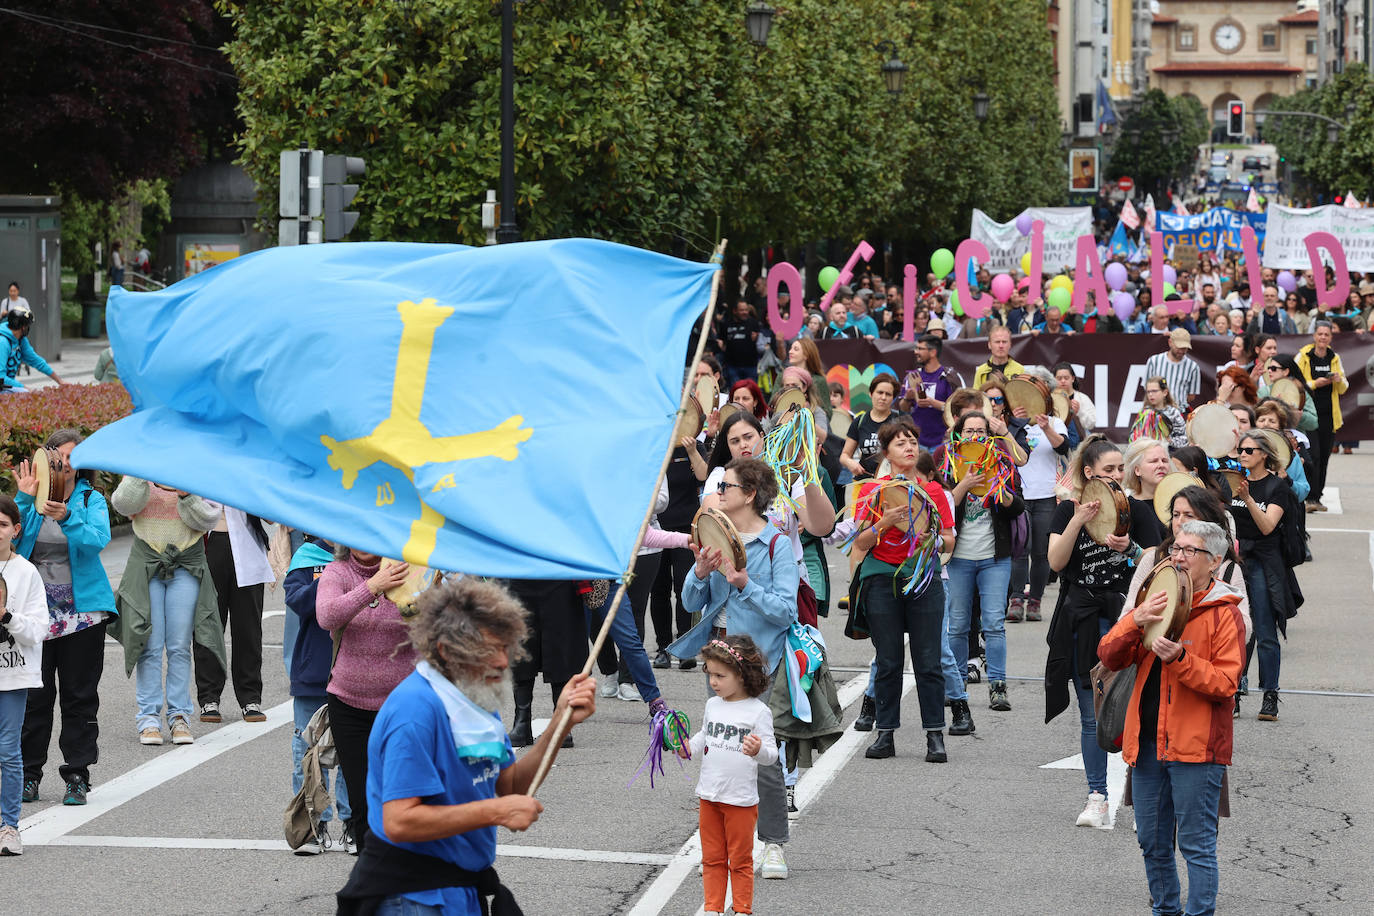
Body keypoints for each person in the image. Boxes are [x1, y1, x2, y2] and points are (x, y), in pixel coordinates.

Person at [335, 577, 597, 916]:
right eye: (489, 649)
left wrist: (561, 723)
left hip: (459, 890)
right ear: (446, 650)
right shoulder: (415, 710)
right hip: (412, 896)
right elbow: (399, 821)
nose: (503, 662)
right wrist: (495, 812)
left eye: (506, 647)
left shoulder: (475, 700)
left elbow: (511, 788)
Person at [1099, 520, 1245, 916]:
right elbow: (1109, 656)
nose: (1177, 557)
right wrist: (1135, 619)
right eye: (1175, 548)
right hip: (1147, 745)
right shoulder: (1157, 597)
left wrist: (1180, 659)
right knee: (1152, 840)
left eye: (1189, 551)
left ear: (1215, 561)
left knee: (1196, 846)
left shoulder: (1224, 614)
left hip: (1197, 749)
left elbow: (1226, 683)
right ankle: (1165, 910)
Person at [670, 457, 797, 881]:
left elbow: (785, 611)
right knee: (721, 746)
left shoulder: (776, 543)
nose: (718, 491)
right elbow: (690, 604)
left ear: (749, 494)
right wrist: (700, 573)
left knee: (759, 752)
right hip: (718, 656)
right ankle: (725, 844)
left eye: (726, 486)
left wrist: (745, 584)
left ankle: (774, 843)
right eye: (718, 485)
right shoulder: (713, 532)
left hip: (760, 662)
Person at [1046, 435, 1160, 830]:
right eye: (1108, 470)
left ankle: (1137, 792)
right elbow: (1056, 563)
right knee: (1091, 715)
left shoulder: (1137, 511)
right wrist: (1078, 519)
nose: (1116, 476)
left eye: (1119, 469)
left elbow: (1161, 562)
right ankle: (1097, 796)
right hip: (1081, 616)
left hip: (1128, 617)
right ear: (1089, 472)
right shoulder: (1066, 512)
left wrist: (1130, 549)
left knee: (1137, 706)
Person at [14, 431, 116, 807]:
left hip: (82, 618)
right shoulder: (31, 498)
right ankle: (28, 774)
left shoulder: (91, 499)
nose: (65, 463)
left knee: (79, 697)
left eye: (74, 456)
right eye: (60, 455)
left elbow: (95, 542)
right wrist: (25, 498)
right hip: (35, 616)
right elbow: (11, 543)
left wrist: (68, 516)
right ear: (47, 458)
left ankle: (77, 775)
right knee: (34, 699)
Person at [850, 419, 954, 763]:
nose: (909, 447)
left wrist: (931, 538)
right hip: (882, 580)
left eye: (912, 441)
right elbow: (861, 542)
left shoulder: (934, 491)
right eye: (900, 443)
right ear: (887, 453)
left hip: (924, 578)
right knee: (889, 660)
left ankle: (935, 735)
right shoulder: (872, 491)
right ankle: (885, 733)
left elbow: (950, 540)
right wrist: (885, 523)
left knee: (928, 660)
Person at [316, 544, 420, 853]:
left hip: (403, 709)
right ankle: (372, 883)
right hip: (349, 707)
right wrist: (373, 586)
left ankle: (406, 881)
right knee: (362, 802)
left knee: (403, 797)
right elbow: (327, 615)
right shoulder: (338, 572)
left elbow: (440, 622)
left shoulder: (412, 571)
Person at [109, 477, 223, 747]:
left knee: (180, 645)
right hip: (147, 561)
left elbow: (208, 519)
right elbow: (122, 505)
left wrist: (186, 493)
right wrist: (140, 476)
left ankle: (179, 715)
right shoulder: (140, 464)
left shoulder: (193, 468)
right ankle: (148, 718)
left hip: (186, 564)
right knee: (149, 644)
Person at [681, 635, 777, 916]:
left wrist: (758, 749)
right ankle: (713, 908)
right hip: (709, 794)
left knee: (740, 860)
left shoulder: (759, 711)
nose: (713, 682)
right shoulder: (714, 705)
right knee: (711, 858)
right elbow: (704, 735)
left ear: (743, 675)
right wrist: (688, 748)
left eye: (720, 676)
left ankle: (742, 909)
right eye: (710, 674)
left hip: (740, 800)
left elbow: (771, 754)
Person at [944, 412, 1024, 720]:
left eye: (981, 430)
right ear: (959, 434)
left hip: (994, 559)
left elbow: (1017, 507)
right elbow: (943, 506)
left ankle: (998, 685)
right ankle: (957, 684)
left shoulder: (1000, 463)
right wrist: (965, 483)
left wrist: (998, 488)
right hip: (959, 559)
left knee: (993, 624)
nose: (975, 435)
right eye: (969, 430)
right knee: (958, 624)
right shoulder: (950, 464)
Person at [283, 535, 354, 855]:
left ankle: (355, 823)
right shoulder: (307, 556)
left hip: (358, 670)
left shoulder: (367, 555)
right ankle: (313, 824)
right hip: (313, 672)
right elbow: (297, 600)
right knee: (309, 752)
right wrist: (331, 581)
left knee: (356, 751)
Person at [1228, 431, 1292, 723]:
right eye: (1240, 449)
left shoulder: (1276, 487)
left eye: (1249, 450)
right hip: (1236, 564)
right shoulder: (1231, 481)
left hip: (1264, 564)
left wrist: (1247, 499)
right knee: (1236, 631)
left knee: (1265, 631)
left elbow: (1267, 526)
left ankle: (1270, 693)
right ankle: (1235, 691)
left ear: (1264, 454)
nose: (1243, 454)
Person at [195, 505, 275, 724]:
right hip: (208, 547)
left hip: (247, 550)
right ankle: (209, 698)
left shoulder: (249, 471)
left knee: (248, 630)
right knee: (208, 627)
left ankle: (250, 698)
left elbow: (271, 516)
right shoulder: (200, 470)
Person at [0, 495, 48, 856]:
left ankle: (9, 827)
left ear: (15, 531)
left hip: (12, 676)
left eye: (2, 525)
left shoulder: (26, 572)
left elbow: (36, 630)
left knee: (8, 752)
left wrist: (6, 617)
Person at [1006, 370, 1068, 624]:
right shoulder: (1010, 422)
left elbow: (1063, 448)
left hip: (1044, 495)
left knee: (1041, 554)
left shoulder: (1055, 422)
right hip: (1019, 494)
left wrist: (1045, 427)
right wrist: (1014, 424)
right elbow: (1003, 448)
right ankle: (1016, 599)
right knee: (1019, 549)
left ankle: (1035, 601)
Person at [1295, 321, 1347, 512]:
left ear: (1331, 337)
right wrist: (1315, 383)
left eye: (1327, 334)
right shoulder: (1304, 355)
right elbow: (1296, 381)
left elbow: (1344, 388)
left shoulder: (1334, 357)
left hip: (1328, 416)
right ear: (1314, 336)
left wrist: (1339, 381)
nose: (1323, 338)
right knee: (1313, 456)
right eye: (1320, 334)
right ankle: (1308, 497)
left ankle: (1317, 497)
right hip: (1308, 415)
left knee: (1324, 456)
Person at [896, 334, 957, 451]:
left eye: (920, 349)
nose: (916, 352)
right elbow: (903, 409)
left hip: (943, 441)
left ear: (933, 352)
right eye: (916, 348)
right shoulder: (913, 376)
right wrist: (907, 398)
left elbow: (956, 408)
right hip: (917, 442)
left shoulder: (949, 377)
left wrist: (934, 403)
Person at [841, 372, 899, 481]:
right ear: (871, 393)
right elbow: (844, 455)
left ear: (893, 398)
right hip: (863, 482)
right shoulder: (860, 421)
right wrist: (851, 463)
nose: (883, 397)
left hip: (892, 484)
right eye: (880, 392)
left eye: (888, 394)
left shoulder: (900, 420)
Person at [1, 306, 66, 390]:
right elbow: (1, 377)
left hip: (5, 386)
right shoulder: (2, 343)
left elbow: (36, 361)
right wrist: (25, 388)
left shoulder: (20, 339)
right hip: (2, 385)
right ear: (23, 327)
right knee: (26, 393)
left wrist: (60, 381)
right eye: (28, 325)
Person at [1144, 329, 1201, 411]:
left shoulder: (1193, 367)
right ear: (1170, 342)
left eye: (1184, 348)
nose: (1181, 351)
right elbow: (1147, 388)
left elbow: (1191, 396)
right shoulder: (1154, 361)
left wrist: (1177, 402)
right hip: (1155, 412)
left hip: (1179, 412)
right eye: (1179, 347)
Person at [1258, 355, 1317, 434]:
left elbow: (1313, 424)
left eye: (1273, 368)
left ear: (1286, 371)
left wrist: (1298, 415)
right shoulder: (1264, 391)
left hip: (1294, 439)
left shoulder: (1300, 392)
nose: (1269, 371)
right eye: (1268, 368)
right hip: (1269, 437)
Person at [717, 301, 761, 386]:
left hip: (751, 366)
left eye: (746, 310)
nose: (744, 312)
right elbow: (722, 340)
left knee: (751, 391)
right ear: (735, 311)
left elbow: (761, 340)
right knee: (734, 392)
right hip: (732, 366)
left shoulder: (753, 323)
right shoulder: (726, 324)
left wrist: (758, 336)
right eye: (741, 310)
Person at [785, 337, 832, 418]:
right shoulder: (783, 376)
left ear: (806, 355)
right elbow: (773, 405)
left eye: (795, 349)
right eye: (790, 348)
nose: (790, 352)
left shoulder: (819, 380)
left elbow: (828, 413)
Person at [1053, 362, 1096, 431]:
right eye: (1059, 378)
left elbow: (1091, 424)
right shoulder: (1050, 398)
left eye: (1066, 378)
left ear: (1072, 379)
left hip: (1079, 439)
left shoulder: (1082, 398)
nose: (1063, 381)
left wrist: (1079, 411)